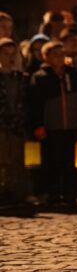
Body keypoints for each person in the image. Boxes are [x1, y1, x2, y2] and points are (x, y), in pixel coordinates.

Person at [29, 41, 77, 205]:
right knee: (52, 161)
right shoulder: (40, 77)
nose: (60, 58)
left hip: (71, 125)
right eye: (55, 54)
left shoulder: (72, 74)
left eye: (62, 54)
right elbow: (35, 104)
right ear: (46, 57)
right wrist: (38, 125)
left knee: (70, 161)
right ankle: (52, 194)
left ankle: (70, 194)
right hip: (51, 126)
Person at [0, 38, 30, 204]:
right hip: (1, 124)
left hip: (17, 124)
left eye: (13, 54)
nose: (10, 58)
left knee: (16, 161)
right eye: (6, 54)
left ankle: (15, 193)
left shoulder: (21, 78)